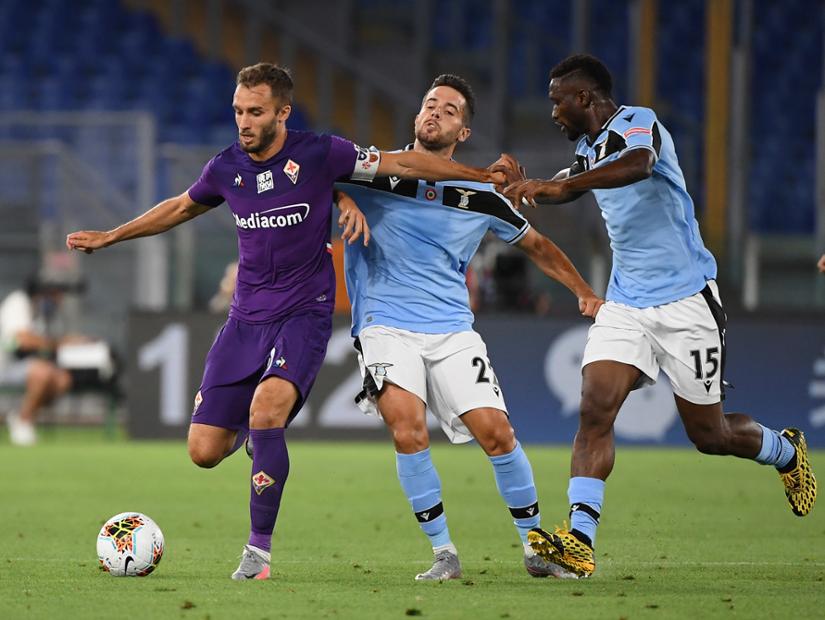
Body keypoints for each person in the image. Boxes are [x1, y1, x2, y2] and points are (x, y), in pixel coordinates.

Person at [66, 62, 508, 581]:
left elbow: (404, 163)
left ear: (282, 113)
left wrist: (480, 176)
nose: (244, 122)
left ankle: (257, 554)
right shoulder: (225, 167)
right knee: (204, 452)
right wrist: (111, 236)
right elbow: (180, 207)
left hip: (304, 312)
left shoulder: (321, 152)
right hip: (245, 318)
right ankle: (259, 437)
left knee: (267, 408)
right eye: (238, 111)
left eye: (255, 112)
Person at [497, 54, 817, 578]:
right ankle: (580, 542)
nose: (552, 111)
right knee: (594, 408)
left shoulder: (637, 122)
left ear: (583, 98)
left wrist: (563, 187)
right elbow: (570, 180)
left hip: (686, 300)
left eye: (557, 101)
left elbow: (639, 164)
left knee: (710, 435)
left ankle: (785, 451)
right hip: (626, 302)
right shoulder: (587, 149)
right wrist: (530, 186)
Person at [336, 74, 603, 581]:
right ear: (417, 115)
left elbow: (538, 246)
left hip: (452, 329)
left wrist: (584, 291)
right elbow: (320, 174)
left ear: (463, 132)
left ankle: (535, 547)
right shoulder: (376, 169)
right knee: (407, 428)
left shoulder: (482, 195)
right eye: (429, 103)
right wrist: (343, 200)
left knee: (497, 433)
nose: (435, 112)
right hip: (384, 323)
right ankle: (444, 553)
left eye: (449, 110)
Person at [1, 278, 76, 446]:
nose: (58, 301)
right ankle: (23, 421)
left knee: (63, 380)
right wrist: (58, 343)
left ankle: (22, 415)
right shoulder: (17, 303)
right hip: (4, 366)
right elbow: (22, 340)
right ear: (41, 295)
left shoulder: (43, 314)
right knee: (42, 372)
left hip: (23, 367)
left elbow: (46, 343)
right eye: (54, 296)